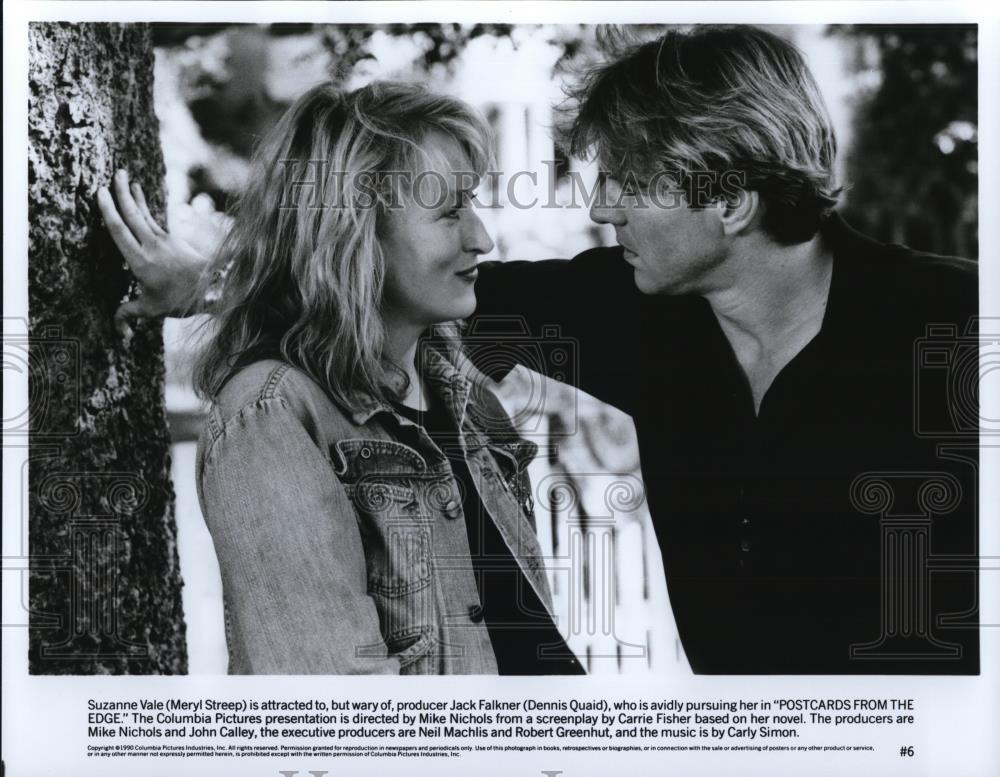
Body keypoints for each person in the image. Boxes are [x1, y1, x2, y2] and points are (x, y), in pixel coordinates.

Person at [104, 25, 979, 675]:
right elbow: (385, 284)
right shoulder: (632, 308)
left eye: (629, 181)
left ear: (730, 201)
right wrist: (204, 285)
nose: (602, 208)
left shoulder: (954, 325)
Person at [99, 81, 584, 675]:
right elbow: (340, 710)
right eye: (449, 212)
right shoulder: (273, 413)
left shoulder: (459, 383)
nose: (481, 237)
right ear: (354, 234)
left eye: (473, 204)